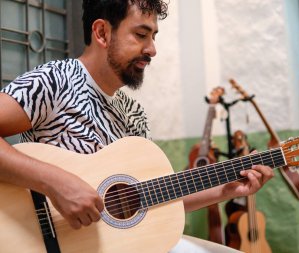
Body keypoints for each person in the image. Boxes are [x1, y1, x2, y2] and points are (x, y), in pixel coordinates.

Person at [0, 0, 274, 251]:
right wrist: (54, 182)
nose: (152, 49)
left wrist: (224, 190)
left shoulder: (133, 113)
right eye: (141, 35)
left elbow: (150, 198)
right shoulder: (54, 81)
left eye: (154, 37)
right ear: (102, 33)